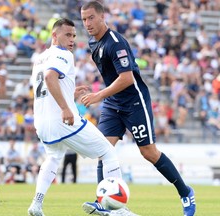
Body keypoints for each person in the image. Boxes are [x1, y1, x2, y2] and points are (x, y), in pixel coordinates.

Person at [80, 1, 196, 216]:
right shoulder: (92, 42)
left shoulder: (116, 43)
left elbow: (126, 78)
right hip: (113, 103)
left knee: (148, 152)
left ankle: (185, 192)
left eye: (91, 18)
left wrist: (98, 95)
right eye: (84, 19)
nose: (87, 23)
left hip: (134, 101)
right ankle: (102, 202)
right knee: (103, 150)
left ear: (102, 16)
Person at [27, 18, 138, 216]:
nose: (72, 40)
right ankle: (117, 209)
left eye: (74, 36)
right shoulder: (64, 54)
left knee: (53, 158)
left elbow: (44, 87)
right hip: (63, 120)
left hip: (42, 122)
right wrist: (66, 108)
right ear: (54, 35)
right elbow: (50, 78)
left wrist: (70, 91)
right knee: (108, 152)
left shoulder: (40, 58)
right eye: (67, 35)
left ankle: (36, 204)